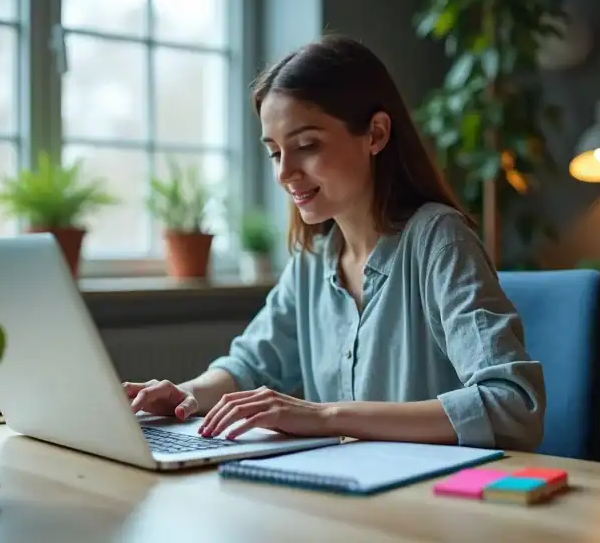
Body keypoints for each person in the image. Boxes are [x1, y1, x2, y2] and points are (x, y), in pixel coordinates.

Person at [123, 35, 546, 451]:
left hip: (436, 504)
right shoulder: (311, 259)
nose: (284, 173)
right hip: (348, 494)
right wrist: (187, 395)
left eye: (306, 145)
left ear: (376, 134)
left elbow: (512, 404)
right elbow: (250, 365)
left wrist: (325, 416)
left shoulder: (440, 242)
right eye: (274, 152)